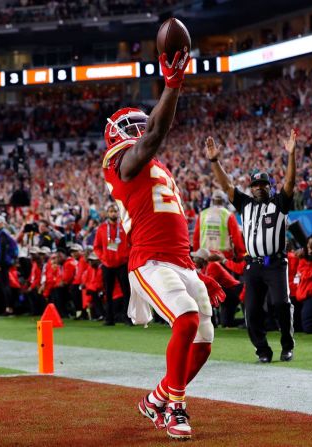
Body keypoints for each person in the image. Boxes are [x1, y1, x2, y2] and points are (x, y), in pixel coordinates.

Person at [101, 48, 210, 441]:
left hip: (180, 259)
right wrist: (173, 85)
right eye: (131, 126)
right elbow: (154, 137)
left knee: (204, 342)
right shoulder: (121, 162)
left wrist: (195, 264)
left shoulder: (154, 163)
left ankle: (156, 398)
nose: (138, 129)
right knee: (186, 319)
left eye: (139, 124)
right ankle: (175, 408)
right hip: (149, 260)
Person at [208, 129, 297, 363]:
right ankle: (262, 351)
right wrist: (215, 161)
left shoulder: (279, 203)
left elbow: (290, 182)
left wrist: (291, 155)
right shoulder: (245, 204)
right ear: (251, 187)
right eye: (255, 184)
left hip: (276, 263)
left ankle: (287, 345)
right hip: (253, 266)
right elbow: (227, 186)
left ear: (269, 187)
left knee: (280, 304)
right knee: (252, 310)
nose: (258, 187)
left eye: (263, 184)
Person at [93, 203, 131, 326]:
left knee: (126, 292)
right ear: (107, 214)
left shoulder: (125, 227)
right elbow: (96, 247)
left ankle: (128, 318)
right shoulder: (102, 229)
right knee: (108, 292)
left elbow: (133, 243)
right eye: (110, 211)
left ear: (118, 213)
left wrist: (126, 255)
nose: (113, 213)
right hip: (107, 265)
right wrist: (103, 258)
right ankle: (109, 319)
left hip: (122, 264)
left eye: (115, 211)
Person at [190, 248, 241, 328]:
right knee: (226, 323)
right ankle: (245, 321)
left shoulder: (213, 266)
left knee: (206, 293)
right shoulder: (205, 268)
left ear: (201, 259)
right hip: (227, 293)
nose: (194, 260)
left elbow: (210, 284)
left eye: (196, 258)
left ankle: (211, 320)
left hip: (233, 291)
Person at [192, 190, 245, 260]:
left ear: (212, 200)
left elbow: (196, 237)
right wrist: (241, 254)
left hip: (205, 257)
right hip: (223, 257)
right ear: (224, 201)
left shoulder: (202, 214)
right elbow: (236, 237)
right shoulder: (228, 215)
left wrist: (197, 254)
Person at [0, 215, 19, 316]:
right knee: (5, 286)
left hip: (3, 263)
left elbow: (2, 251)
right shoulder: (2, 234)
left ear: (2, 223)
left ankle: (9, 308)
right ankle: (8, 307)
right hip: (5, 262)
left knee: (5, 286)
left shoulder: (3, 235)